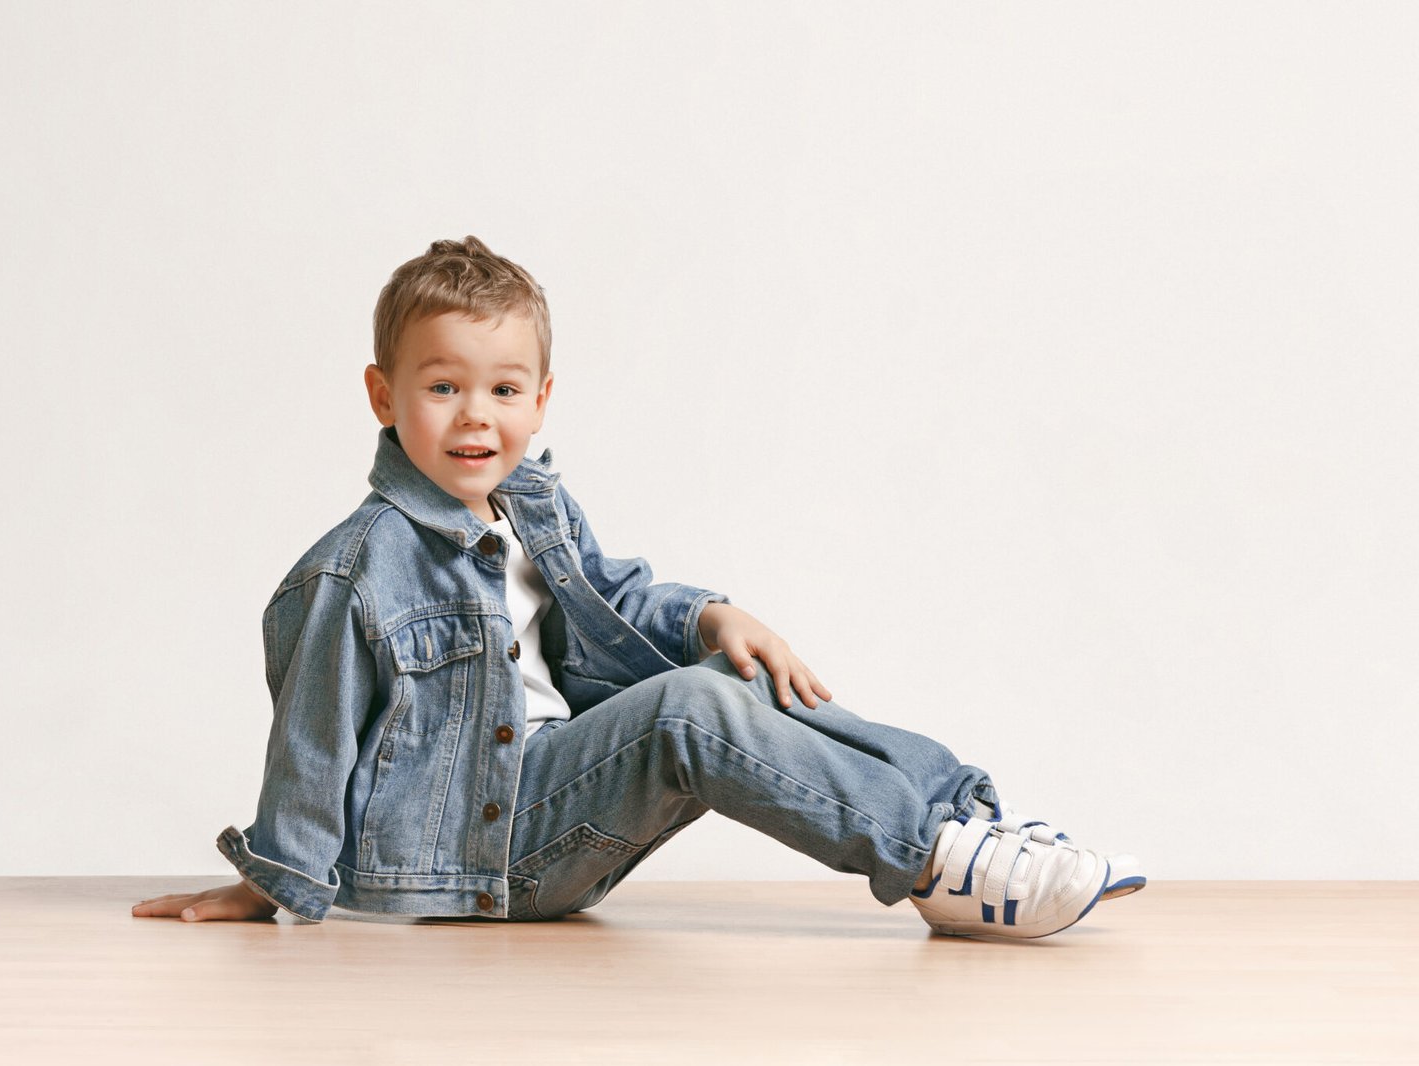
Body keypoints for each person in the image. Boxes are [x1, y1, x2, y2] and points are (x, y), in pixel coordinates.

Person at [131, 236, 1146, 940]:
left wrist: (713, 613)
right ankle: (930, 857)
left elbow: (616, 597)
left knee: (728, 673)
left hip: (541, 808)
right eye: (442, 387)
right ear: (383, 396)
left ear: (541, 398)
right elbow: (312, 741)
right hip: (471, 859)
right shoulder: (354, 567)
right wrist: (273, 882)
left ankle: (960, 824)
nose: (474, 416)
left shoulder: (533, 508)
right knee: (690, 711)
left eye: (503, 389)